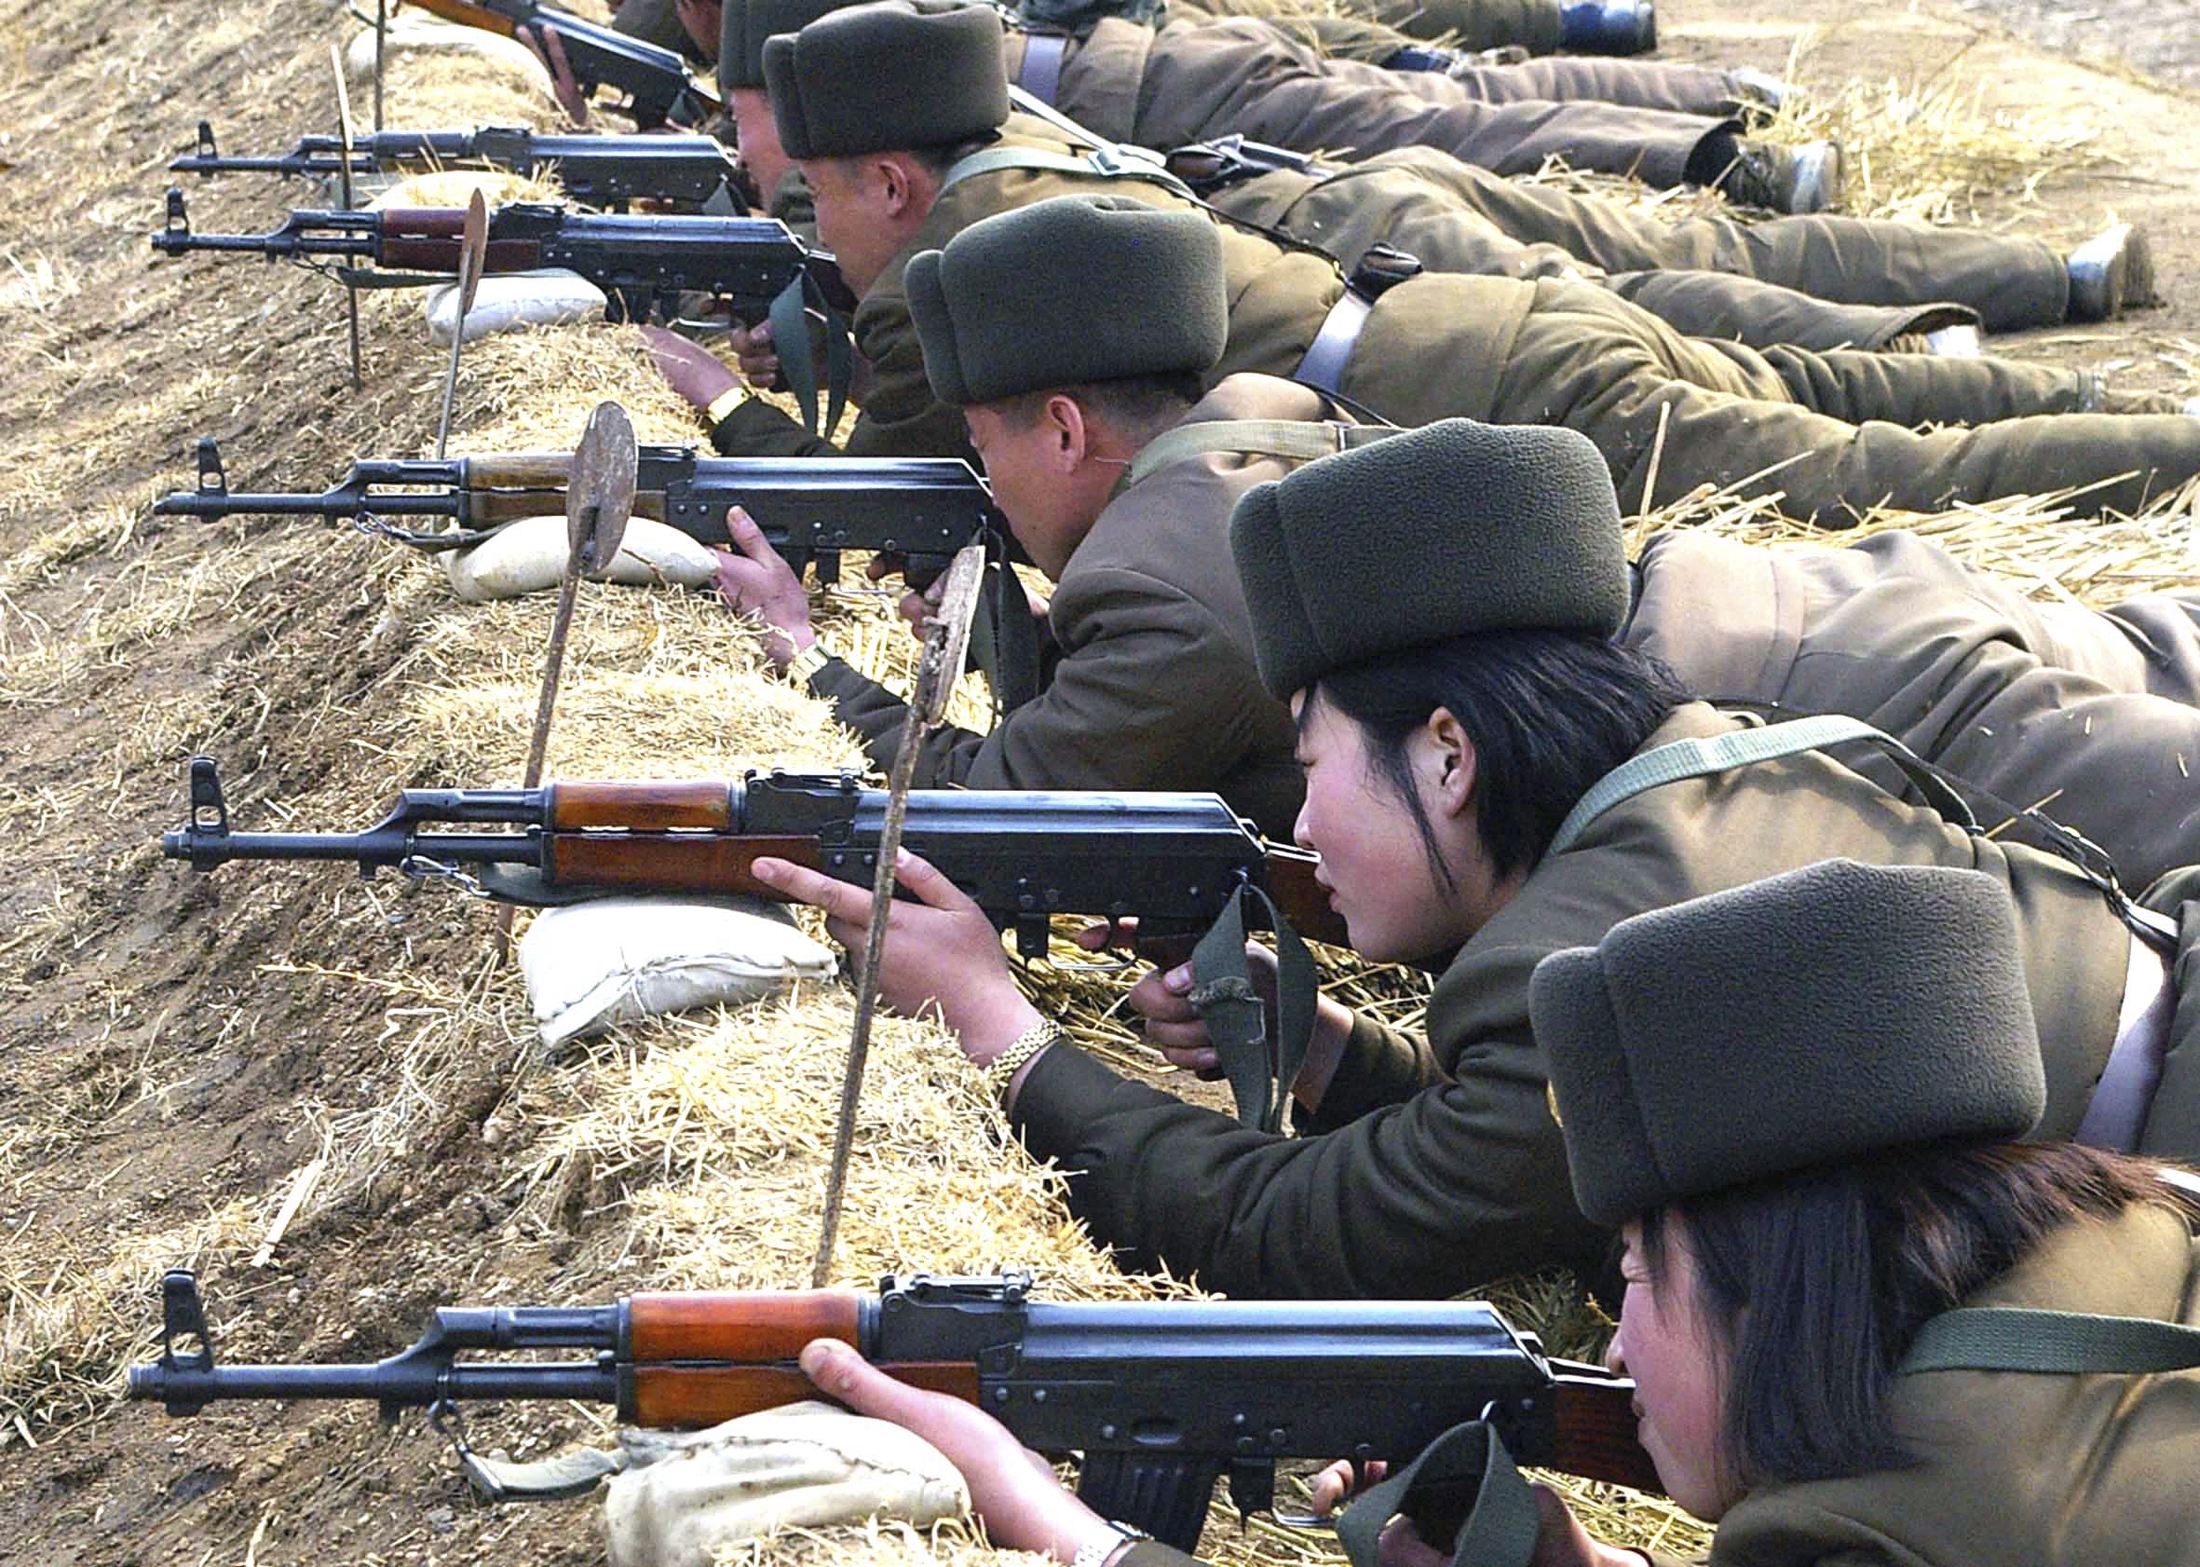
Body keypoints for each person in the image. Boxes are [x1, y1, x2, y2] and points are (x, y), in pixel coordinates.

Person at [745, 413, 2199, 1302]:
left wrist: (1001, 1031)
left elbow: (1303, 1234)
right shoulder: (1693, 756)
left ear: (1449, 752)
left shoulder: (1593, 951)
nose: (1301, 828)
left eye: (1315, 768)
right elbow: (1545, 1156)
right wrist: (1322, 1058)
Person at [718, 193, 2200, 886]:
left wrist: (803, 662)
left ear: (1062, 428)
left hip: (1849, 709)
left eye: (978, 443)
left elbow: (994, 821)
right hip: (1801, 617)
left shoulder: (1159, 593)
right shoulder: (1244, 414)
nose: (973, 476)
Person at [790, 858, 2200, 1567]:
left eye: (1636, 1274)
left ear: (1765, 1281)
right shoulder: (2129, 1230)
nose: (1621, 1337)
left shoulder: (1876, 1523)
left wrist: (1052, 1521)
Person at [715, 0, 2200, 523]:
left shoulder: (946, 278)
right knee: (1828, 386)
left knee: (1877, 470)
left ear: (896, 182)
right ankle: (2110, 384)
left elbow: (915, 476)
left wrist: (725, 411)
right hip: (1457, 318)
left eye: (821, 204)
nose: (814, 232)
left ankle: (2172, 454)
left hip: (1491, 377)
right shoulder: (1012, 151)